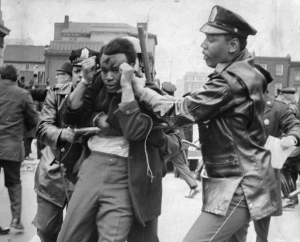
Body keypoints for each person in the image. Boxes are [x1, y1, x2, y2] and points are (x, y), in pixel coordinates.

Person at [131, 5, 279, 242]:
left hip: (240, 185)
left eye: (211, 39)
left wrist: (140, 91)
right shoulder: (241, 74)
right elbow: (187, 102)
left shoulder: (230, 82)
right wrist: (153, 92)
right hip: (237, 181)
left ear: (232, 45)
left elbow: (179, 111)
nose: (203, 45)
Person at [58, 38, 181, 242]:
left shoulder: (149, 92)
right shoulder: (97, 82)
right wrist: (86, 85)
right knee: (69, 236)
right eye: (104, 69)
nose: (107, 76)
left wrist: (127, 87)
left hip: (131, 172)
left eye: (115, 70)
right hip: (92, 167)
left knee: (114, 237)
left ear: (131, 67)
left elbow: (133, 130)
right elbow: (70, 116)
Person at [34, 48, 99, 242]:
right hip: (53, 170)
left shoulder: (99, 96)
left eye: (88, 70)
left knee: (81, 235)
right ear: (72, 71)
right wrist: (63, 133)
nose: (82, 75)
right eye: (77, 70)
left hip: (84, 173)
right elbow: (42, 128)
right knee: (46, 229)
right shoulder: (55, 94)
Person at [248, 65, 300, 242]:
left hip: (264, 173)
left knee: (262, 229)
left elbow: (295, 125)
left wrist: (292, 138)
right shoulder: (235, 106)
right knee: (235, 228)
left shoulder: (278, 108)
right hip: (238, 172)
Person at [0, 64, 38, 232]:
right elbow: (33, 120)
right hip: (12, 146)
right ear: (16, 77)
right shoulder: (23, 94)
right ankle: (16, 219)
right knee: (14, 182)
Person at [161, 81, 200, 198]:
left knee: (157, 163)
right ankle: (194, 186)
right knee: (182, 165)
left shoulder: (161, 101)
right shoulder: (177, 102)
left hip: (168, 140)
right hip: (177, 140)